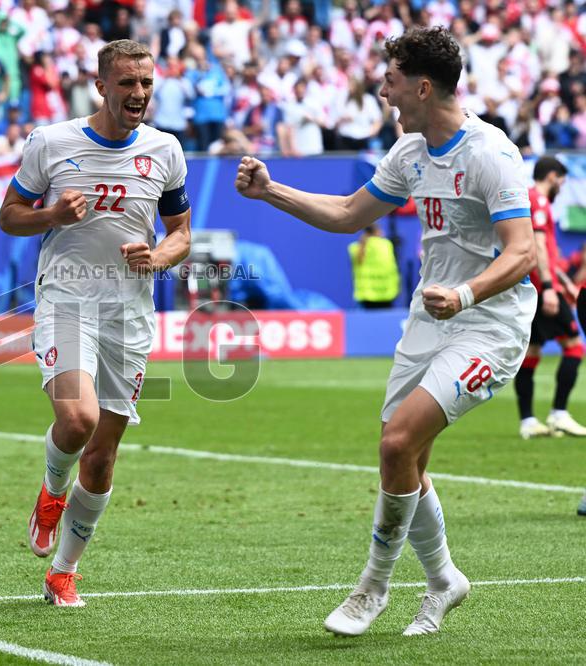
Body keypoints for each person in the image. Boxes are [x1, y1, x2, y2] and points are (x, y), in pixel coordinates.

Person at [235, 27, 535, 637]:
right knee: (405, 457)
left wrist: (465, 292)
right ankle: (446, 579)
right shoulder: (411, 153)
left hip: (489, 324)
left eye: (391, 79)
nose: (381, 89)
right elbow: (349, 215)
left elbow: (523, 253)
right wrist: (271, 191)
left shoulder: (491, 154)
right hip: (430, 320)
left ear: (422, 86)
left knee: (397, 444)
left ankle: (372, 587)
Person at [0, 39, 191, 607]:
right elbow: (10, 216)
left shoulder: (166, 150)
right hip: (66, 299)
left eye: (147, 83)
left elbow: (181, 233)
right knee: (77, 420)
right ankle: (51, 493)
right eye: (127, 83)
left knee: (103, 457)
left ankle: (64, 570)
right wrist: (53, 214)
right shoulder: (51, 142)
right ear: (101, 85)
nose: (138, 94)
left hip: (129, 313)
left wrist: (159, 257)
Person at [514, 157, 586, 439]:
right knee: (574, 347)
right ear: (552, 176)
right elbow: (540, 246)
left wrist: (563, 283)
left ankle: (528, 421)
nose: (561, 186)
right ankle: (559, 413)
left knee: (531, 353)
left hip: (533, 287)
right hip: (542, 287)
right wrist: (548, 287)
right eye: (561, 180)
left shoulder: (528, 200)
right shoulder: (540, 202)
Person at [348, 224, 400, 309]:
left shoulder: (354, 248)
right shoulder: (386, 245)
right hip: (386, 293)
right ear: (378, 231)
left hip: (365, 294)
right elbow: (391, 269)